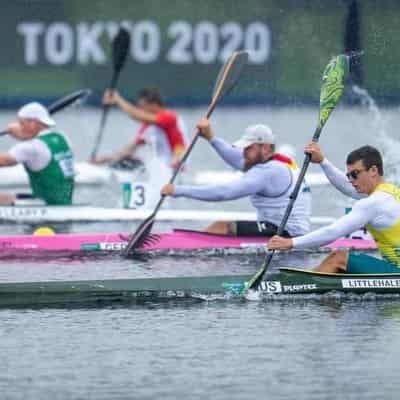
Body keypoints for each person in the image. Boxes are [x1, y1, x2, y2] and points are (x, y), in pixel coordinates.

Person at [161, 118, 311, 237]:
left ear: (266, 148)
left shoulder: (268, 171)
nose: (244, 153)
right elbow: (236, 158)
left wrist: (177, 190)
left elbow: (224, 193)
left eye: (249, 148)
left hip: (287, 234)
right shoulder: (281, 161)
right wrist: (211, 138)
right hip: (284, 228)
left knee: (223, 226)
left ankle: (189, 248)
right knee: (223, 227)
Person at [268, 143, 400, 274]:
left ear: (373, 171)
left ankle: (298, 285)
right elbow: (347, 187)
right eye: (348, 175)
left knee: (338, 258)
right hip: (394, 269)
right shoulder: (389, 192)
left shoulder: (372, 203)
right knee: (341, 264)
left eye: (355, 174)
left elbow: (333, 232)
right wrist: (322, 161)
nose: (351, 180)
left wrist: (291, 243)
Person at [92, 88, 187, 169]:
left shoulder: (169, 117)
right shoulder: (149, 126)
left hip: (176, 168)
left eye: (142, 107)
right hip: (161, 169)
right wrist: (105, 159)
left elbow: (135, 115)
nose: (140, 110)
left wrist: (118, 99)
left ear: (154, 105)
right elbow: (131, 148)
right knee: (124, 160)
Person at [0, 102, 74, 205]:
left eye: (22, 123)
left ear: (33, 123)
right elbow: (35, 144)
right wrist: (21, 133)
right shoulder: (62, 138)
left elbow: (3, 161)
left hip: (44, 204)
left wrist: (20, 134)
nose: (20, 127)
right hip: (62, 201)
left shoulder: (31, 147)